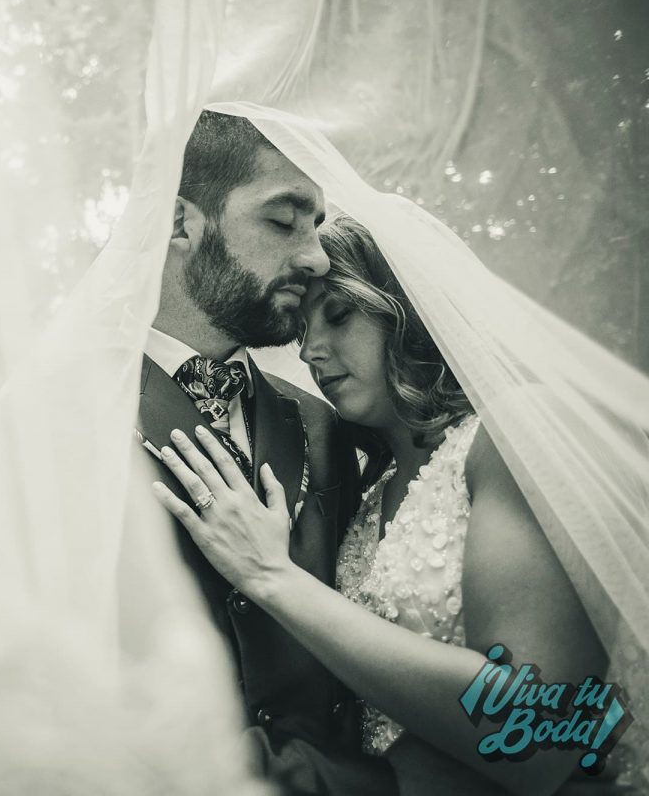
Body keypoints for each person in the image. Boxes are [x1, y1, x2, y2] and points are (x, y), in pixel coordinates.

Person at [152, 212, 631, 794]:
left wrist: (270, 574)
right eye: (302, 332)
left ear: (409, 312)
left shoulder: (514, 432)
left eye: (339, 315)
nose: (311, 353)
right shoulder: (362, 488)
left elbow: (544, 733)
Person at [134, 110, 397, 793]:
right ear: (180, 223)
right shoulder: (63, 412)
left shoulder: (322, 419)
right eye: (285, 222)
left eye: (316, 226)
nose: (314, 257)